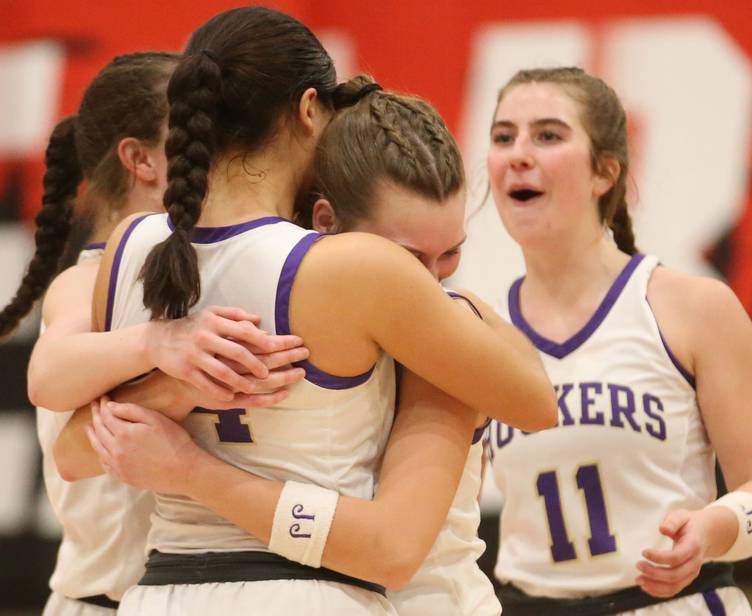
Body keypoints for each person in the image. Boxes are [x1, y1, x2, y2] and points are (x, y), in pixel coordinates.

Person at [57, 7, 555, 616]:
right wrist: (464, 310)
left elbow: (76, 449)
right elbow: (535, 401)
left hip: (160, 592)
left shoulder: (130, 246)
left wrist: (172, 386)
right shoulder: (352, 268)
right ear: (309, 108)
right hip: (307, 588)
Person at [5, 51, 307, 615]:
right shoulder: (89, 279)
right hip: (101, 601)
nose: (218, 149)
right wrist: (156, 344)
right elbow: (46, 375)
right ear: (141, 160)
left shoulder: (223, 270)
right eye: (195, 130)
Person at [482, 67, 752, 615]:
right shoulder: (475, 329)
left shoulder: (692, 307)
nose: (518, 154)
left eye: (548, 135)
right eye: (504, 136)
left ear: (605, 172)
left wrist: (714, 528)